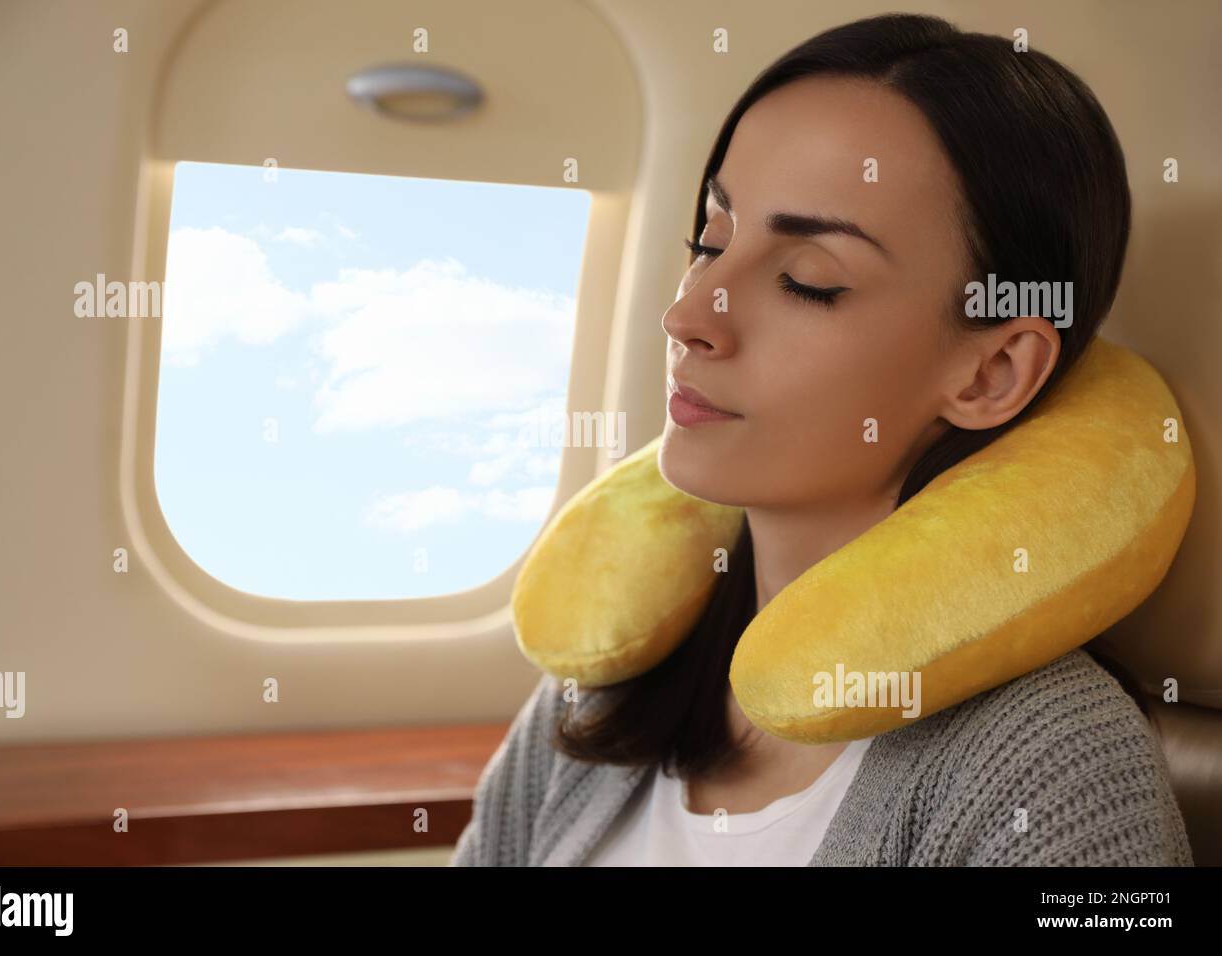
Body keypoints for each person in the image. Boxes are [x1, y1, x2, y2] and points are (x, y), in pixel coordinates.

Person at [451, 13, 1194, 866]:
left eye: (809, 283)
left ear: (991, 373)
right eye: (711, 240)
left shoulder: (1059, 765)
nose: (690, 316)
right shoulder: (597, 696)